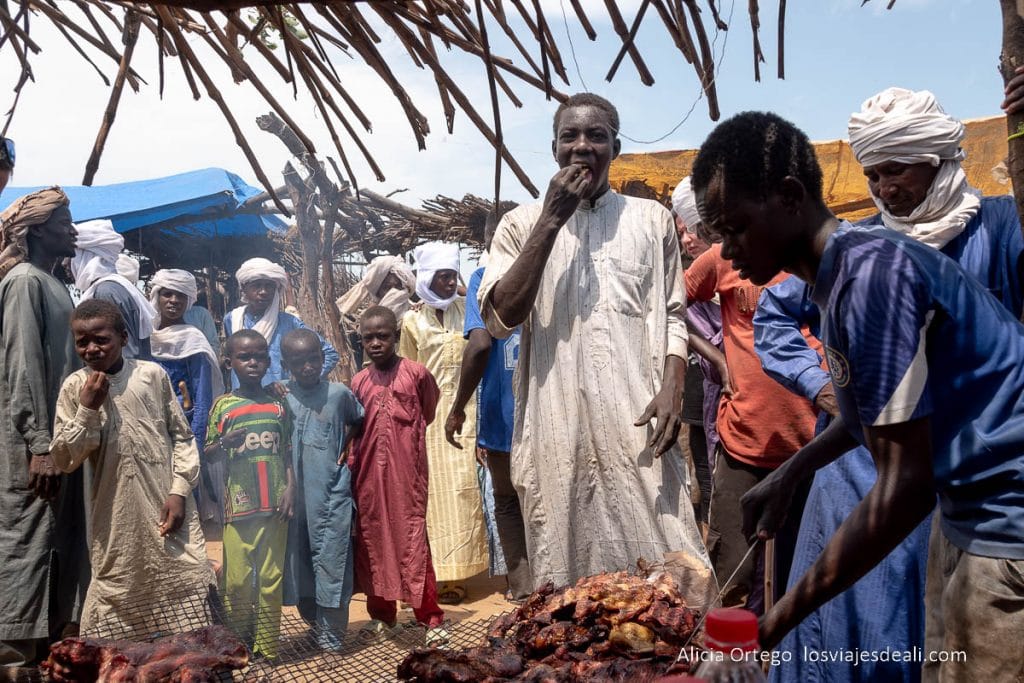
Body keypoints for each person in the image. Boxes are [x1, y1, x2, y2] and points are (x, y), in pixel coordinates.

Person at [692, 110, 1024, 681]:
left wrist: (766, 630)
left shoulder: (873, 275)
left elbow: (906, 488)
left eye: (736, 228)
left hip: (1007, 521)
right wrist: (792, 472)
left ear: (791, 196)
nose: (726, 252)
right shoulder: (841, 273)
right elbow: (861, 413)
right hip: (965, 511)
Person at [478, 93, 709, 589]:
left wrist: (672, 385)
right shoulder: (519, 225)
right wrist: (551, 220)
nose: (582, 146)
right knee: (565, 584)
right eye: (570, 136)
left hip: (638, 418)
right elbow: (500, 318)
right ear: (554, 147)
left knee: (667, 569)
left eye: (596, 136)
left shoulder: (651, 220)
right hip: (552, 427)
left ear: (616, 147)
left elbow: (673, 312)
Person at [49, 300, 215, 638]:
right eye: (83, 342)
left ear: (123, 338)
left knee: (189, 578)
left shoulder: (150, 376)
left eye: (101, 339)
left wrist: (179, 491)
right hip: (115, 520)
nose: (92, 349)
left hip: (167, 507)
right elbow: (65, 459)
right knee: (119, 588)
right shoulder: (73, 388)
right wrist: (86, 410)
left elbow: (182, 438)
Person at [0, 188, 87, 666]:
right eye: (63, 223)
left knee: (54, 544)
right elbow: (24, 365)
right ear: (36, 231)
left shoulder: (56, 285)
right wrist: (37, 442)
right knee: (26, 543)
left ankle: (45, 659)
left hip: (58, 444)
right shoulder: (24, 283)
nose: (72, 230)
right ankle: (13, 661)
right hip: (30, 446)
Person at [444, 212, 531, 601]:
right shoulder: (543, 275)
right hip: (547, 418)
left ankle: (523, 587)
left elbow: (479, 346)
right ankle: (557, 584)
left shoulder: (482, 280)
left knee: (509, 503)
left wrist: (458, 406)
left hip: (502, 421)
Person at [349, 306, 448, 646]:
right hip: (367, 477)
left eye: (383, 336)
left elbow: (429, 411)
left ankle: (430, 617)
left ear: (396, 335)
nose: (376, 343)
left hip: (408, 474)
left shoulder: (417, 374)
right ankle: (383, 616)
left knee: (412, 540)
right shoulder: (358, 382)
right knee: (372, 540)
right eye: (368, 338)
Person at [400, 241, 487, 604]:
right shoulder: (411, 321)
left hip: (466, 412)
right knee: (435, 497)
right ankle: (441, 572)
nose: (451, 284)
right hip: (430, 419)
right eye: (443, 277)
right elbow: (406, 371)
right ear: (427, 278)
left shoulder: (464, 311)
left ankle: (461, 572)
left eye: (454, 276)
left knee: (465, 493)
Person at [205, 330, 295, 660]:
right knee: (238, 582)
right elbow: (209, 453)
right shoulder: (223, 406)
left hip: (275, 506)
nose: (253, 362)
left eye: (259, 356)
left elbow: (286, 452)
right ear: (229, 362)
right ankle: (237, 644)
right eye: (245, 357)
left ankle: (268, 649)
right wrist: (223, 444)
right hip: (238, 507)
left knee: (271, 579)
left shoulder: (278, 405)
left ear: (269, 361)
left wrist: (291, 491)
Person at [279, 328, 363, 651]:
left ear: (322, 357)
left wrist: (347, 445)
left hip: (330, 495)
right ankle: (314, 627)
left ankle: (332, 640)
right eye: (298, 362)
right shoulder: (281, 394)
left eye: (313, 359)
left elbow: (358, 417)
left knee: (332, 563)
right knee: (300, 564)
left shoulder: (338, 393)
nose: (308, 367)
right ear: (287, 365)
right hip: (294, 501)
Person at [149, 269, 226, 527]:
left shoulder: (194, 340)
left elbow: (202, 398)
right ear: (156, 297)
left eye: (180, 296)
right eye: (166, 294)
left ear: (189, 301)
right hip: (149, 427)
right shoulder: (145, 338)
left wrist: (194, 438)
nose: (173, 301)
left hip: (183, 428)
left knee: (182, 494)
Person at [672, 176, 726, 528]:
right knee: (706, 473)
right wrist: (717, 356)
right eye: (681, 232)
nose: (686, 239)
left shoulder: (745, 265)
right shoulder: (690, 277)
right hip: (702, 388)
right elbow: (670, 313)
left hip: (749, 394)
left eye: (691, 229)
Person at [223, 257, 338, 388]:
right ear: (243, 288)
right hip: (242, 399)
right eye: (256, 286)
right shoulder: (232, 319)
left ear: (276, 290)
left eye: (269, 286)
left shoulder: (289, 323)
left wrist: (299, 383)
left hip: (279, 400)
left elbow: (330, 353)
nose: (263, 292)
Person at [71, 219, 155, 361]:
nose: (65, 263)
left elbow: (123, 355)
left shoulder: (105, 292)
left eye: (72, 257)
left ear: (87, 256)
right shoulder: (115, 286)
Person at [336, 254, 416, 323]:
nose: (393, 292)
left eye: (398, 286)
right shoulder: (372, 314)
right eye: (387, 287)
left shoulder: (414, 314)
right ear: (378, 291)